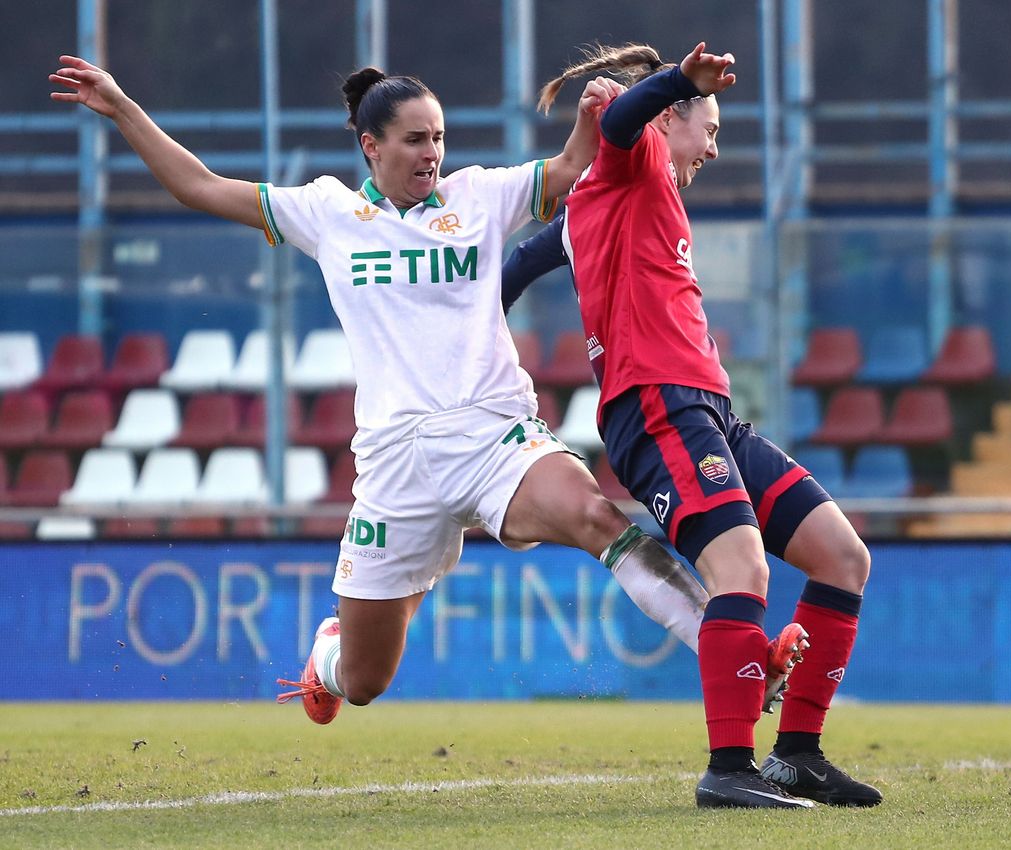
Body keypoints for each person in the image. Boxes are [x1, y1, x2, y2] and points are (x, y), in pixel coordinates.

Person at [48, 54, 754, 725]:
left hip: (492, 437)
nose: (431, 152)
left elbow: (573, 166)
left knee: (601, 521)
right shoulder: (325, 213)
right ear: (370, 146)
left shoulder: (479, 196)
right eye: (414, 139)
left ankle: (737, 659)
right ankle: (327, 657)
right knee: (364, 682)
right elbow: (198, 186)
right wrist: (121, 108)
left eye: (439, 137)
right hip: (396, 466)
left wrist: (585, 120)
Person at [507, 42, 883, 809]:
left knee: (842, 557)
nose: (713, 147)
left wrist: (476, 306)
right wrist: (681, 80)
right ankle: (728, 767)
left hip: (706, 409)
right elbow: (619, 120)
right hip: (656, 407)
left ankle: (798, 756)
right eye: (707, 127)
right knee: (742, 571)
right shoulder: (629, 157)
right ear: (668, 120)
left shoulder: (610, 204)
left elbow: (513, 267)